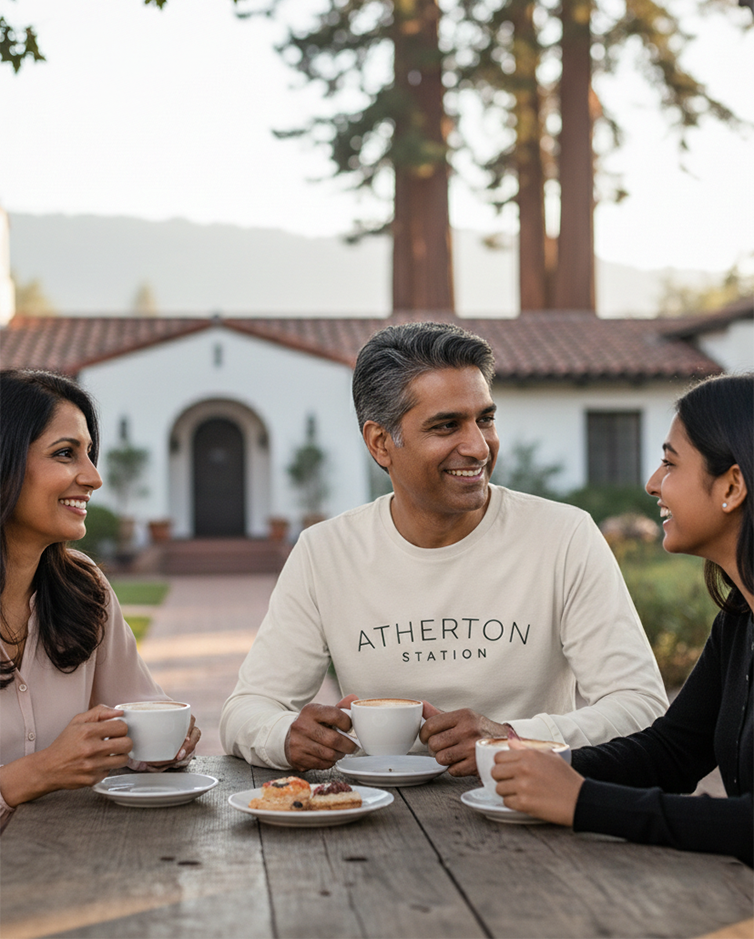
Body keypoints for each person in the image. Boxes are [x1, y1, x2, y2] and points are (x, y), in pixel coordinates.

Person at [220, 321, 667, 773]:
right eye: (446, 426)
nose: (477, 446)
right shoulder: (325, 552)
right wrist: (285, 735)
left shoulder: (564, 536)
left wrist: (511, 738)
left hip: (528, 808)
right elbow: (247, 710)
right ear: (381, 443)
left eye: (485, 419)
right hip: (379, 812)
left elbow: (641, 705)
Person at [491, 373, 754, 867]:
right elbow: (673, 752)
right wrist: (546, 764)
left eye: (670, 464)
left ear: (733, 485)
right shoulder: (740, 621)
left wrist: (583, 802)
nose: (653, 483)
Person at [0, 370, 200, 832]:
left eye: (89, 454)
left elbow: (138, 713)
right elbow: (49, 769)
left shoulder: (84, 588)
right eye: (66, 454)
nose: (93, 478)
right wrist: (36, 773)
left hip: (65, 866)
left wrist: (166, 743)